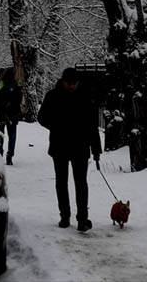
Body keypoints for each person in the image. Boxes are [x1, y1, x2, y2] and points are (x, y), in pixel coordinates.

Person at [38, 67, 102, 232]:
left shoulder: (85, 97)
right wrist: (57, 126)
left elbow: (92, 125)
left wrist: (96, 149)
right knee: (62, 182)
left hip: (79, 146)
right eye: (69, 83)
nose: (72, 86)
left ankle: (82, 219)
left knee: (80, 183)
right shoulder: (52, 96)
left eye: (75, 83)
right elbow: (42, 117)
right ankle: (64, 217)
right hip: (61, 145)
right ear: (63, 81)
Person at [0, 67, 23, 166]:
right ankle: (9, 155)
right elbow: (19, 100)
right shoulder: (15, 85)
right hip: (12, 115)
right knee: (12, 136)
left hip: (0, 115)